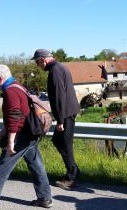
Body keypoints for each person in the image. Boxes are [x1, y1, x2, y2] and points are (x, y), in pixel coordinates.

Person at [0, 64, 53, 209]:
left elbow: (15, 116)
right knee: (36, 167)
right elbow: (21, 113)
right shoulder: (18, 86)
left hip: (21, 135)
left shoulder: (10, 91)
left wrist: (10, 141)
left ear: (0, 78)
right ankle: (45, 199)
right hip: (31, 133)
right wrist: (4, 130)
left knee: (0, 168)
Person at [32, 49, 81, 190]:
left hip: (65, 114)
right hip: (68, 112)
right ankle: (74, 171)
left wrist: (60, 120)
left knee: (64, 144)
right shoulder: (60, 67)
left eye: (37, 62)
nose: (37, 65)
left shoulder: (55, 71)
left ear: (43, 59)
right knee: (59, 141)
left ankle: (72, 177)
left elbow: (59, 96)